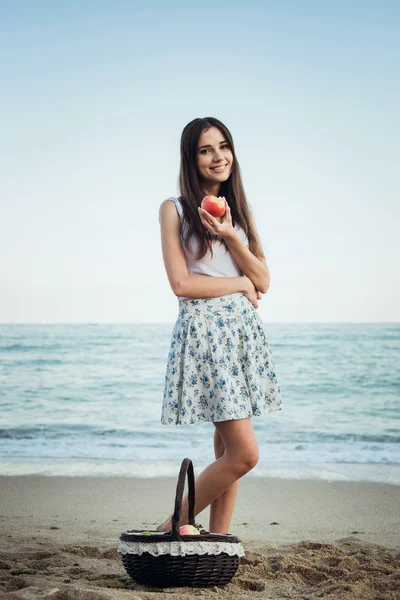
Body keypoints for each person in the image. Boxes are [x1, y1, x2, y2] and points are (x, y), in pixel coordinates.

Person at [156, 117, 283, 535]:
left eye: (223, 146)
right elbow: (181, 284)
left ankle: (218, 539)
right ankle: (171, 526)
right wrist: (240, 284)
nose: (218, 156)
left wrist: (231, 235)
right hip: (206, 334)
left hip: (241, 335)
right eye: (206, 149)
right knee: (245, 454)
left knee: (227, 447)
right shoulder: (174, 209)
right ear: (191, 159)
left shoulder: (239, 214)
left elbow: (263, 281)